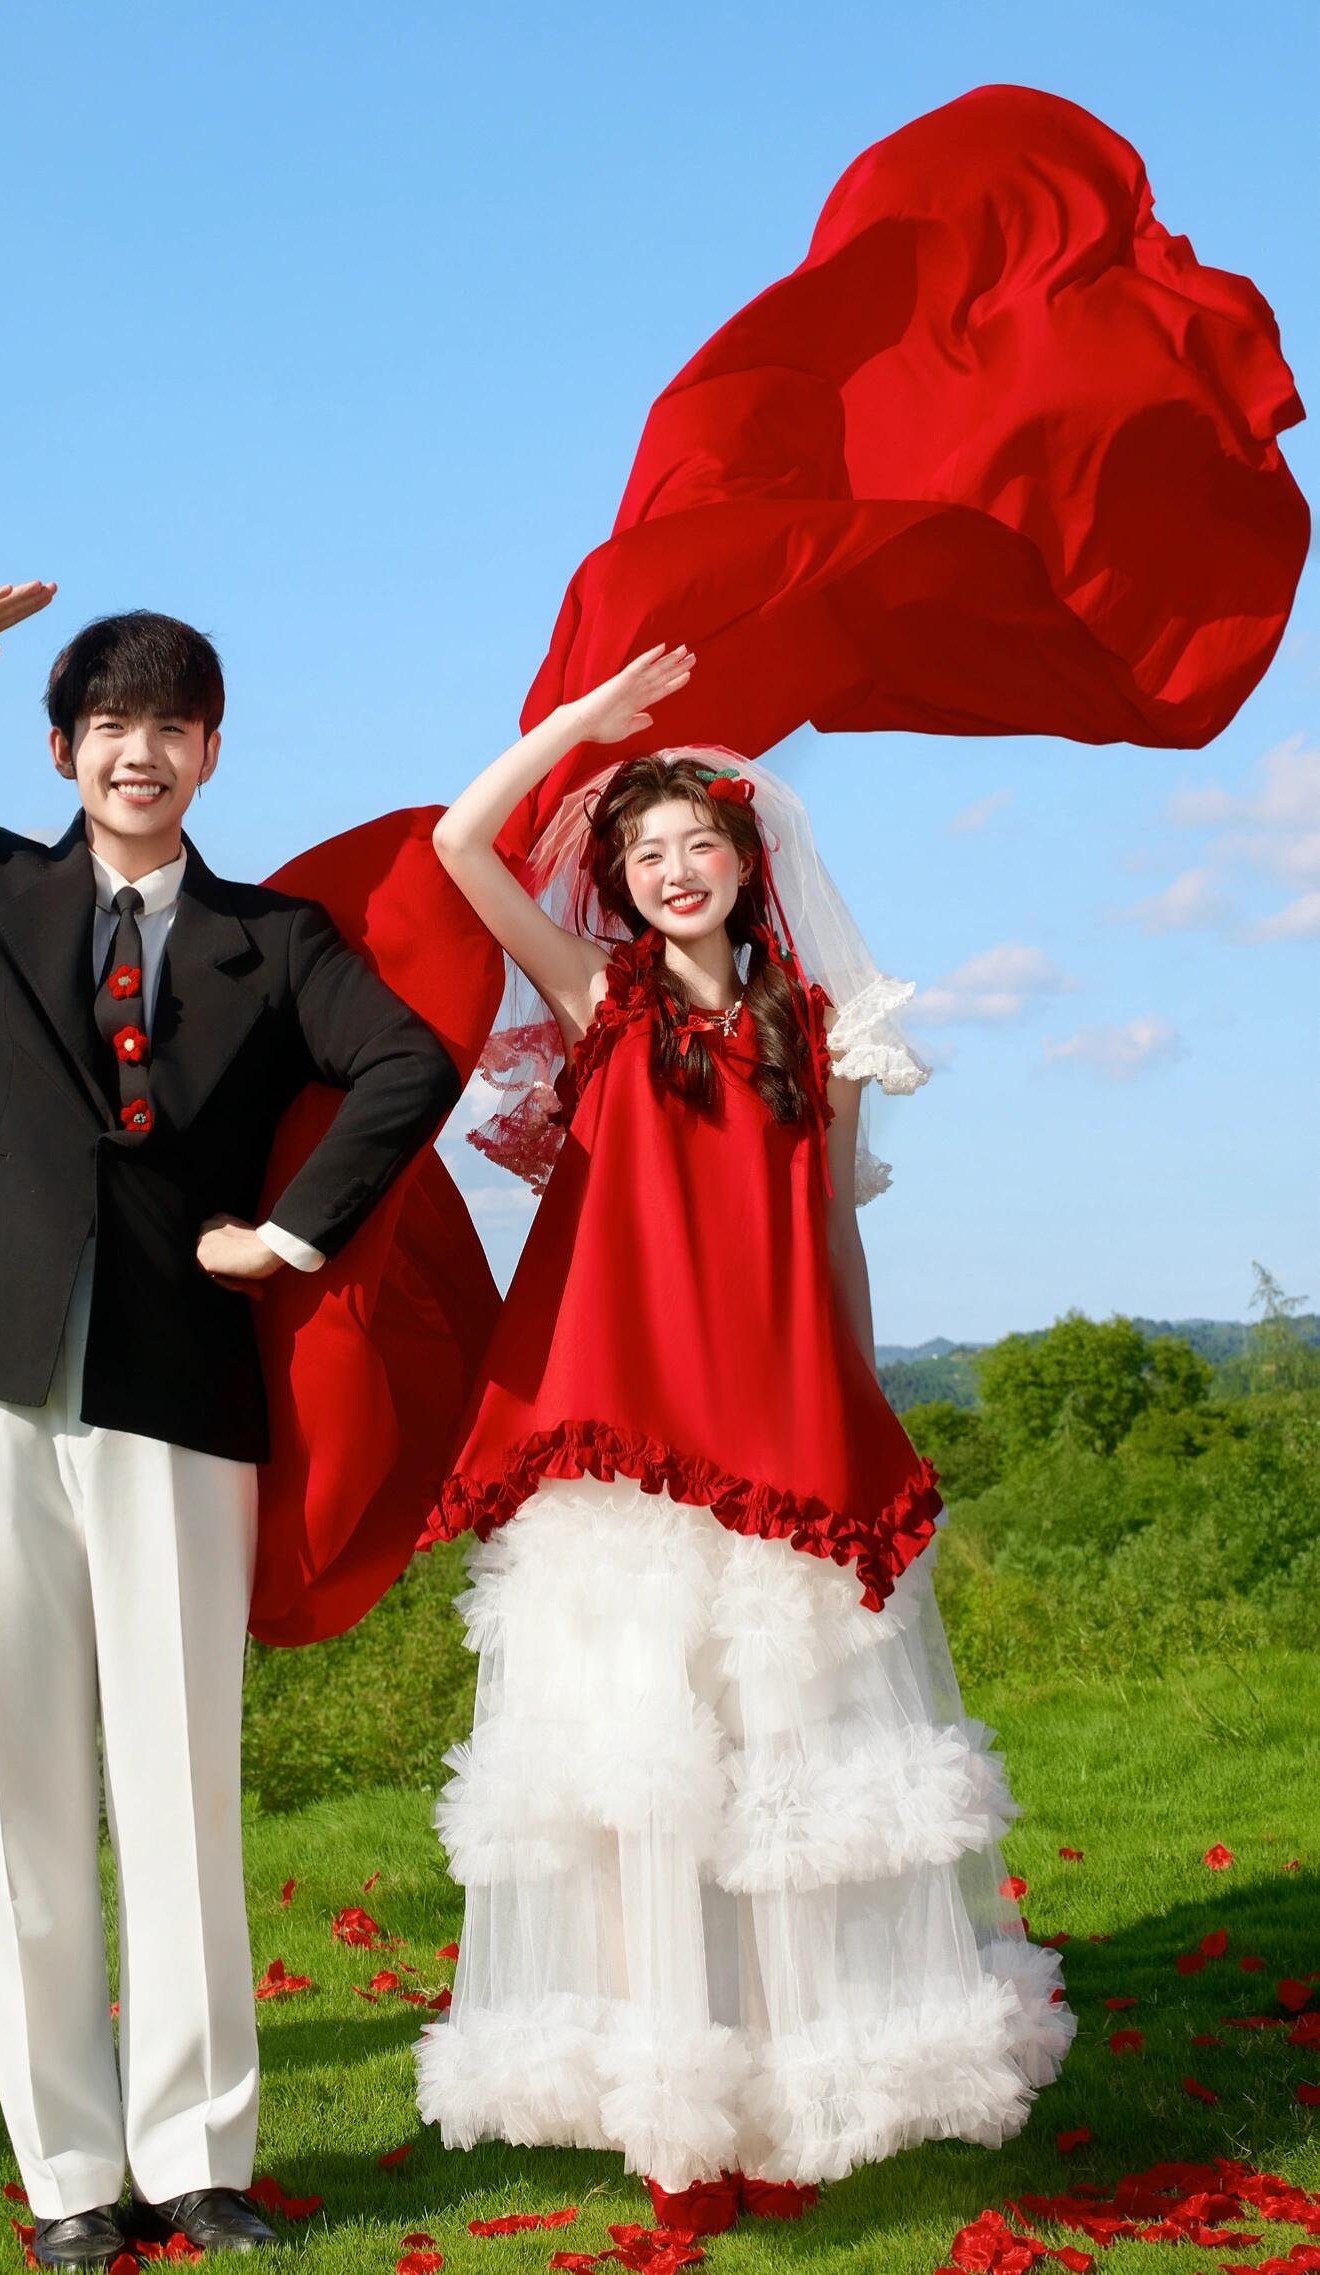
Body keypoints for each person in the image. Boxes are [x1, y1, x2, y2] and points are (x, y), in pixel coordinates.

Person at [0, 584, 462, 2267]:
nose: (141, 751)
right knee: (18, 1785)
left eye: (172, 725)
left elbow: (407, 1065)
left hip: (177, 1389)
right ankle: (67, 2183)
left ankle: (197, 2161)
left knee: (181, 1782)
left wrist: (292, 1235)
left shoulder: (278, 941)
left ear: (209, 753)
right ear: (63, 749)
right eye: (112, 724)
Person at [412, 644, 1074, 2230]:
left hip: (778, 1423)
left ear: (742, 860)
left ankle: (793, 2096)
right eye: (643, 852)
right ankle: (669, 2119)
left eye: (695, 842)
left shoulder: (823, 1030)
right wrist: (579, 729)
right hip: (626, 1439)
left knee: (786, 1769)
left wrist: (854, 1384)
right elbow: (457, 845)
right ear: (619, 885)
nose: (672, 869)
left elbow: (828, 1230)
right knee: (639, 1773)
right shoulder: (598, 999)